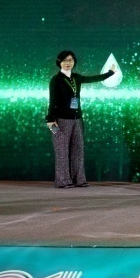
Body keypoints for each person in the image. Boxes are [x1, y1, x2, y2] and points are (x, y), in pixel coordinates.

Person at [45, 51, 114, 188]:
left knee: (78, 149)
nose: (68, 63)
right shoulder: (56, 79)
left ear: (74, 62)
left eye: (70, 60)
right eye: (65, 60)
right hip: (61, 120)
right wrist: (50, 119)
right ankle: (63, 181)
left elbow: (94, 78)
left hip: (77, 119)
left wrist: (110, 73)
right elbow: (53, 100)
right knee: (62, 151)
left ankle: (79, 179)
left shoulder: (76, 77)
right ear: (59, 62)